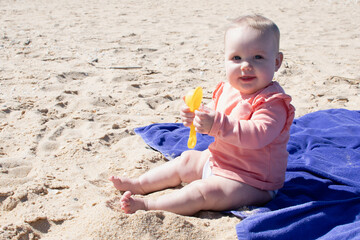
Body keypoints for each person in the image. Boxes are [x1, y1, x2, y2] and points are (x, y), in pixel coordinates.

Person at [109, 14, 295, 215]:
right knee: (186, 160)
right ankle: (140, 184)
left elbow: (258, 134)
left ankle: (148, 205)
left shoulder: (272, 102)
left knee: (203, 192)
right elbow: (211, 113)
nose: (245, 65)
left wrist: (217, 124)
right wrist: (195, 116)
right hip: (219, 160)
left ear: (277, 61)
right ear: (225, 59)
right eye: (236, 58)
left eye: (258, 57)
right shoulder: (227, 89)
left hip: (252, 180)